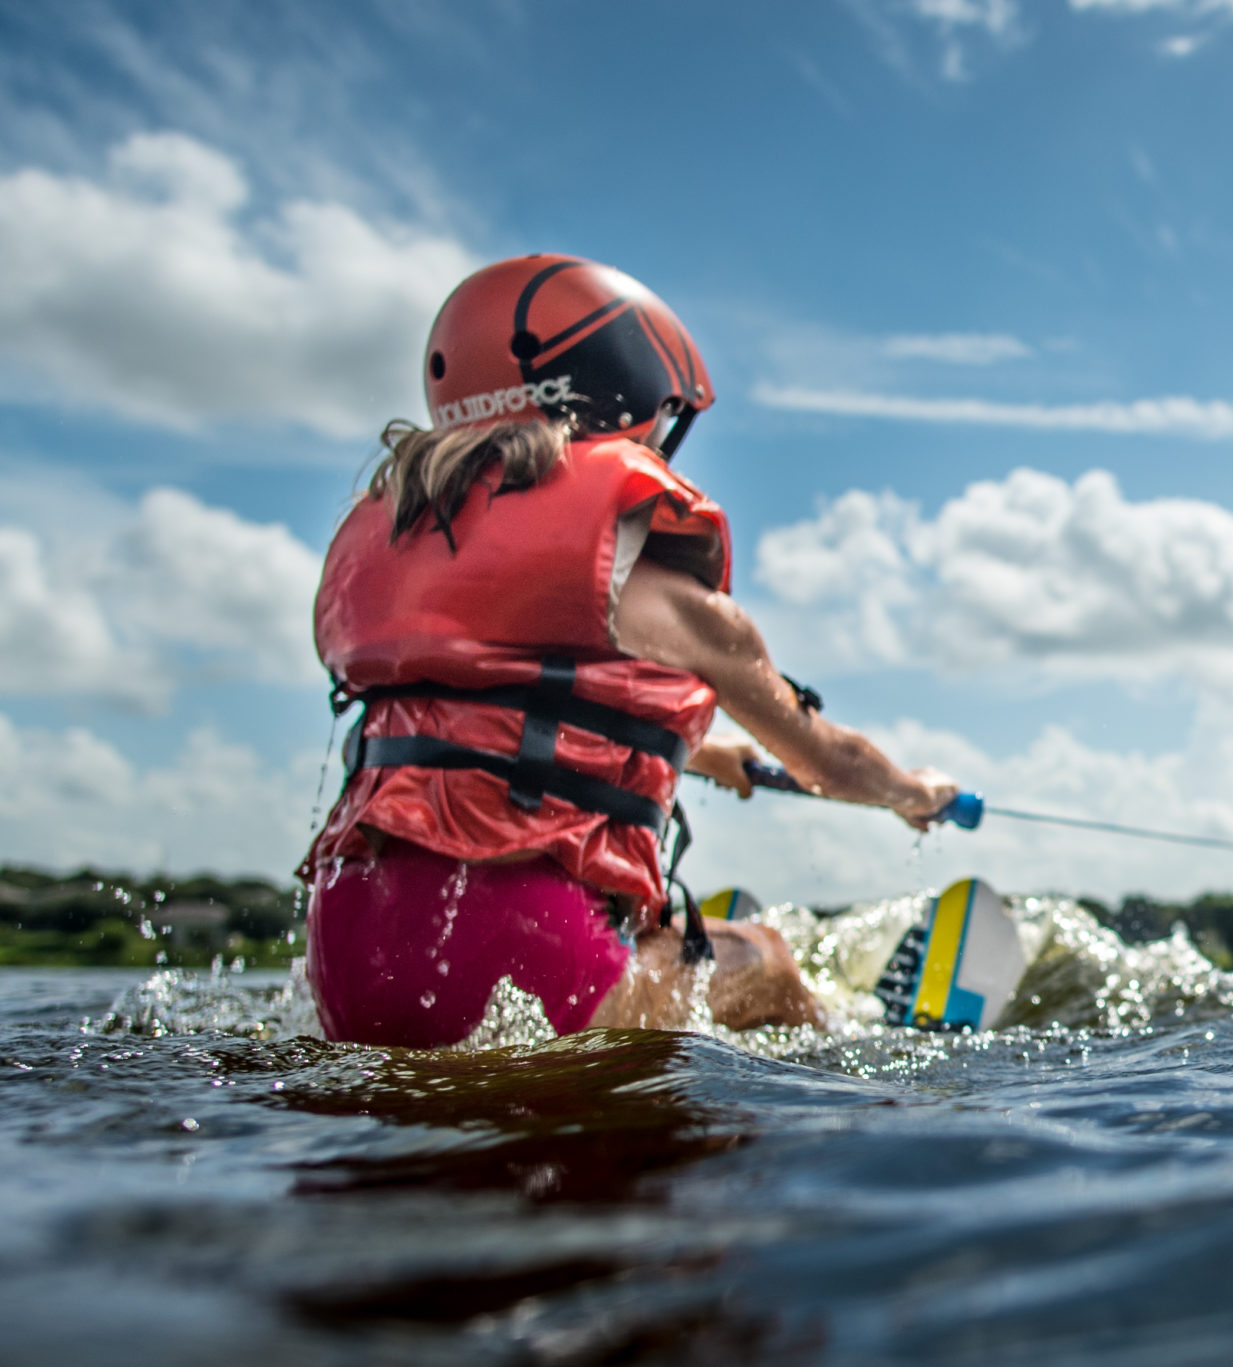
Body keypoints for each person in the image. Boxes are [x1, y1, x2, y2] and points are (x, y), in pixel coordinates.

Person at [300, 254, 957, 1048]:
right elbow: (828, 760)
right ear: (626, 392)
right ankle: (864, 1033)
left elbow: (503, 723)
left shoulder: (406, 555)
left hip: (347, 961)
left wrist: (707, 755)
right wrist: (912, 791)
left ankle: (677, 951)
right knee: (768, 960)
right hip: (522, 960)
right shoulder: (670, 601)